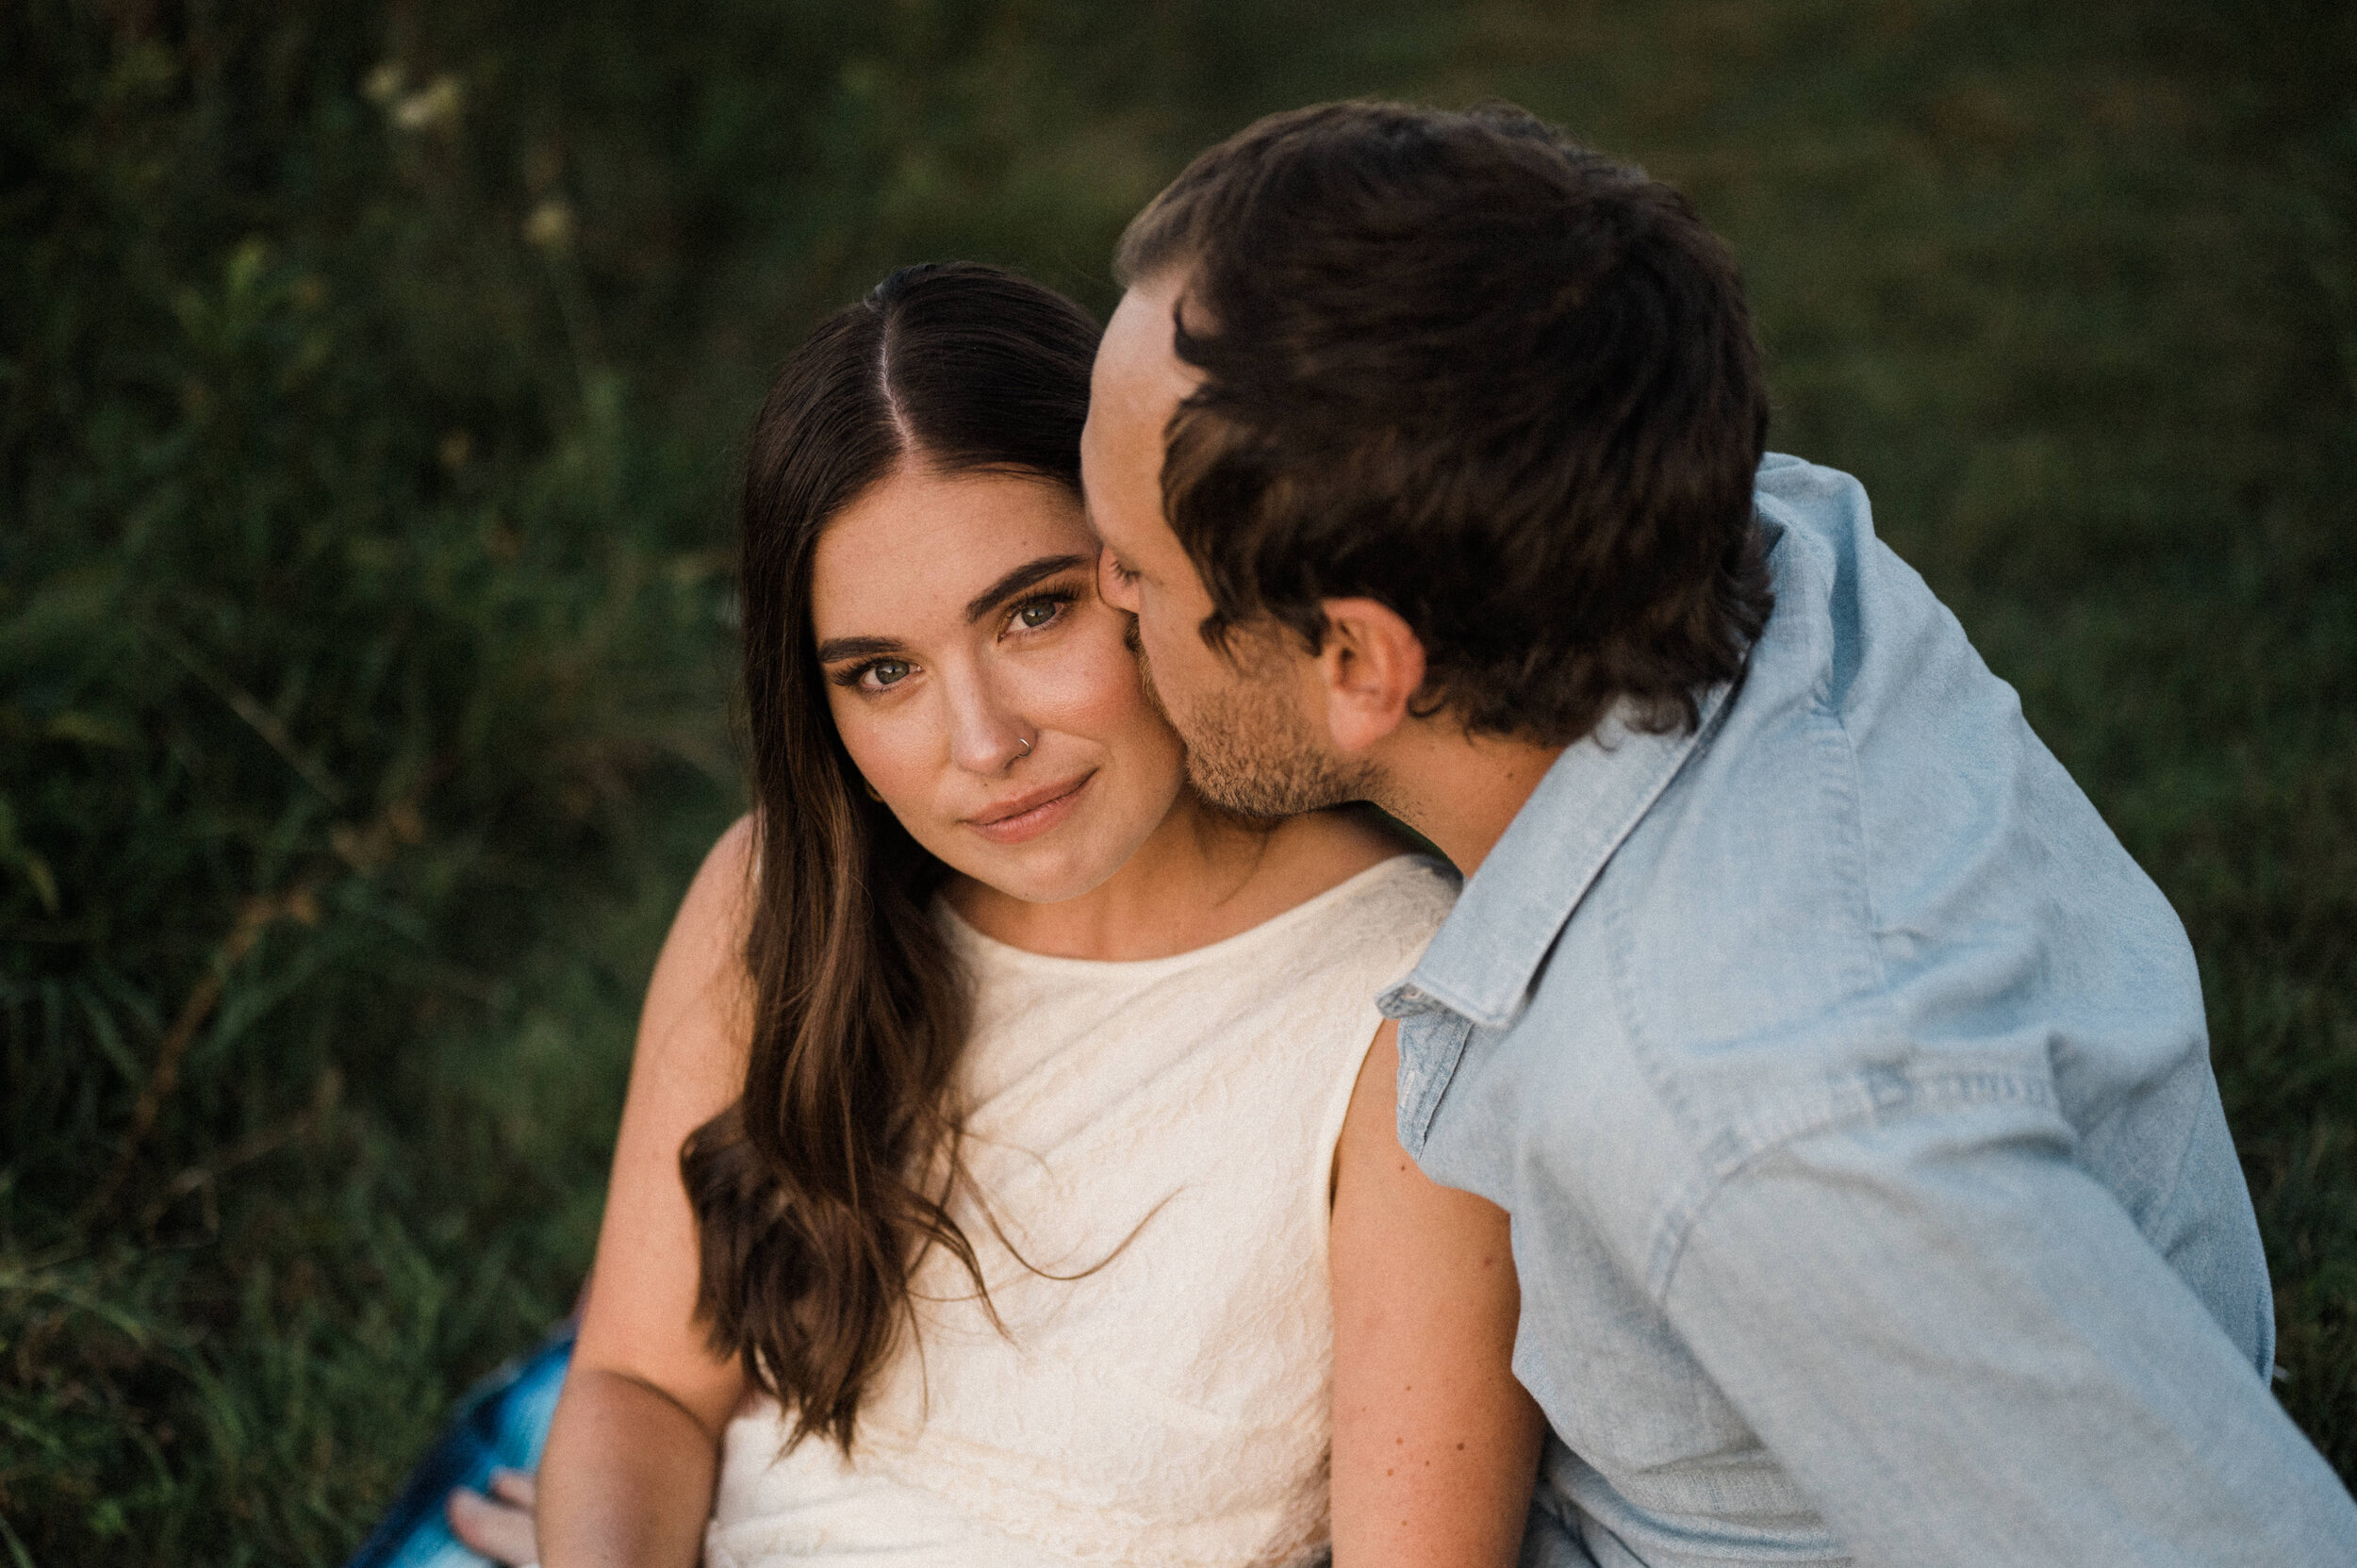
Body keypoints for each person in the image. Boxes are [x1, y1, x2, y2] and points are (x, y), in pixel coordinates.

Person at [1080, 100, 2357, 1565]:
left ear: (1363, 664)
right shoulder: (1721, 526)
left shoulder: (1751, 1116)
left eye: (1133, 569)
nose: (1110, 603)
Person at [364, 259, 1547, 1568]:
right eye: (883, 673)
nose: (981, 743)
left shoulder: (1404, 1008)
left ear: (1155, 565)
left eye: (1033, 612)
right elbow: (642, 1386)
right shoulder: (787, 901)